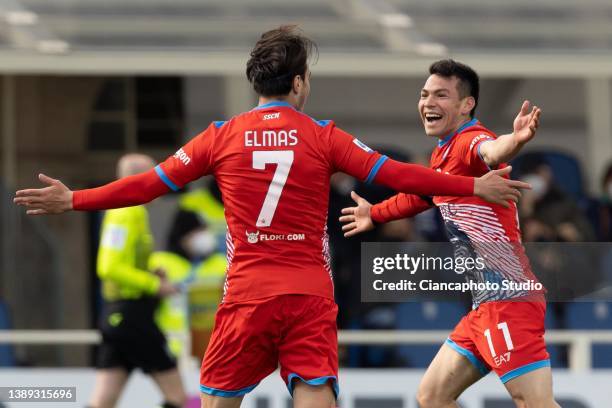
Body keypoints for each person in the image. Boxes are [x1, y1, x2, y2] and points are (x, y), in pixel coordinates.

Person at [14, 27, 529, 408]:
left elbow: (148, 185)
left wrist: (75, 199)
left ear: (256, 83)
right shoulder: (324, 135)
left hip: (247, 295)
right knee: (314, 395)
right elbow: (399, 175)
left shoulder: (221, 135)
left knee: (217, 402)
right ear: (300, 83)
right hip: (307, 294)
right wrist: (471, 184)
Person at [340, 59, 559, 407]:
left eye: (441, 95)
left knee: (535, 402)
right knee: (433, 395)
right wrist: (375, 213)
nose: (428, 102)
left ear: (466, 105)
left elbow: (490, 150)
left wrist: (514, 141)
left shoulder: (470, 141)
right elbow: (420, 195)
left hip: (507, 302)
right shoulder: (443, 156)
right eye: (425, 94)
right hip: (483, 308)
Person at [88, 154, 186, 408]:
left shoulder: (128, 211)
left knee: (103, 400)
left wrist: (151, 271)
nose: (160, 181)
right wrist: (154, 285)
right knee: (177, 396)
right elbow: (109, 266)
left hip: (118, 316)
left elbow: (123, 262)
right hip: (131, 314)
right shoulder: (127, 212)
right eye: (155, 175)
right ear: (138, 178)